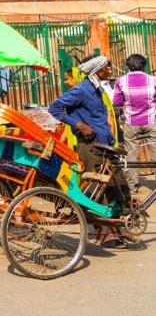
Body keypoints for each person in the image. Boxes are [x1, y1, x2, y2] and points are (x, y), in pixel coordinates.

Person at [50, 55, 131, 227]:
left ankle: (121, 225)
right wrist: (79, 125)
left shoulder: (97, 89)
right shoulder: (82, 90)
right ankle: (104, 230)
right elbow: (54, 108)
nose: (110, 70)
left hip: (105, 145)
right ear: (97, 70)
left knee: (118, 185)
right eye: (107, 67)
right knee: (96, 189)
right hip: (90, 146)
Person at [112, 53, 156, 196]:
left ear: (128, 66)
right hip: (152, 121)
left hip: (131, 123)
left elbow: (117, 102)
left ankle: (132, 187)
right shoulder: (153, 80)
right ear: (144, 66)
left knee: (131, 155)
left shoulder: (120, 81)